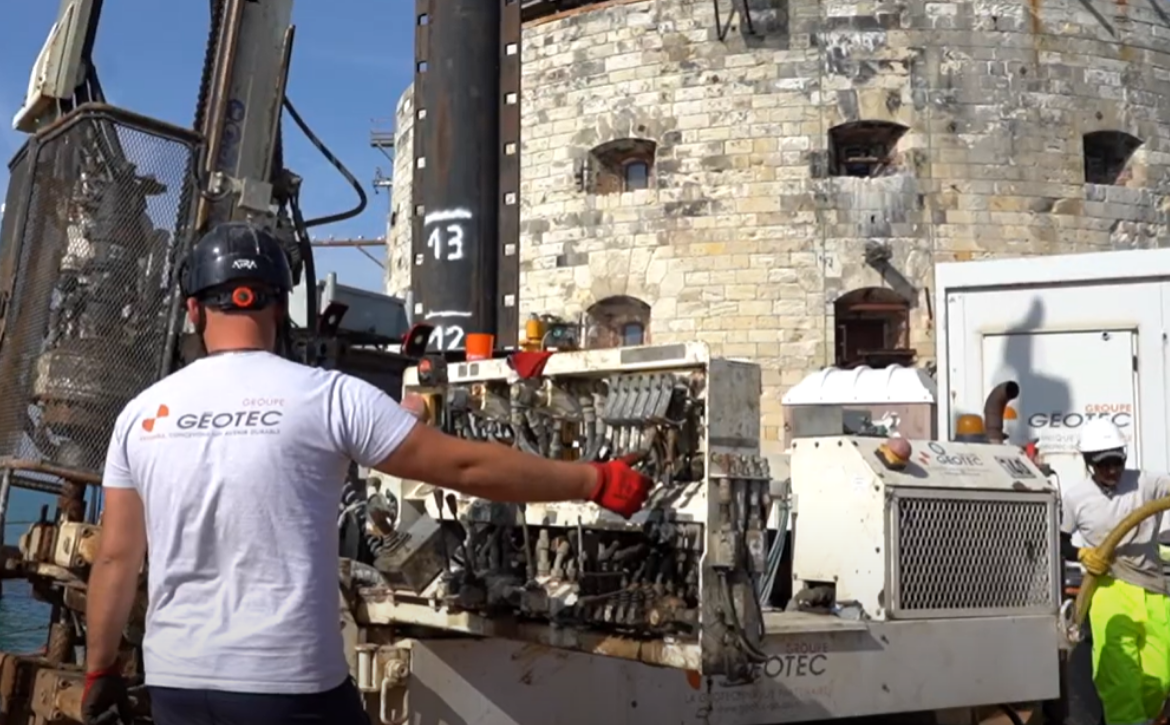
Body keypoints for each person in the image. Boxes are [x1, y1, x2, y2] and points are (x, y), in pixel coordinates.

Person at [80, 222, 653, 725]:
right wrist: (593, 481)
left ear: (194, 309)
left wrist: (99, 670)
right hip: (288, 686)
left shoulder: (141, 414)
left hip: (177, 683)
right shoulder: (326, 398)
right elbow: (465, 464)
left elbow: (115, 558)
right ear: (278, 306)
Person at [1061, 417, 1170, 725]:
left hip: (1154, 590)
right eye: (1103, 464)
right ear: (1088, 463)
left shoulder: (1146, 483)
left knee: (1160, 677)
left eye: (1117, 462)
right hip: (1110, 589)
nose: (1112, 470)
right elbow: (1059, 541)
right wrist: (1082, 552)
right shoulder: (1076, 499)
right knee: (1119, 675)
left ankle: (1143, 717)